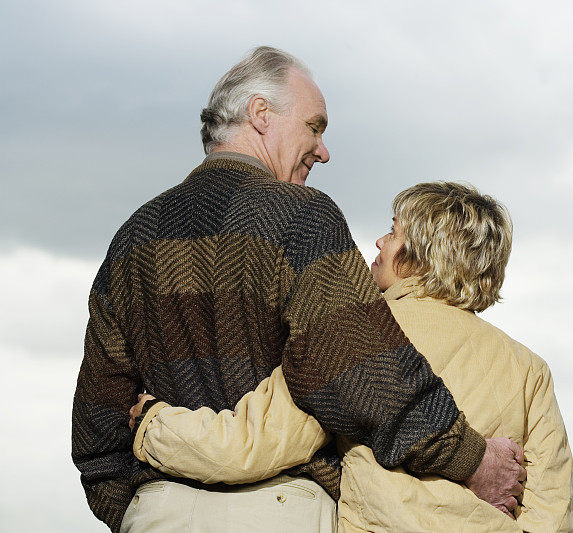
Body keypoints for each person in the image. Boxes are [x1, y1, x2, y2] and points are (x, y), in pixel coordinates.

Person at [72, 46, 525, 533]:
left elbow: (98, 426)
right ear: (261, 114)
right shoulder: (303, 215)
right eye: (315, 126)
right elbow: (362, 371)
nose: (324, 150)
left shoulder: (130, 238)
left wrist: (141, 510)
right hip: (280, 511)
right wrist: (472, 460)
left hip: (155, 514)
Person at [130, 182, 573, 532]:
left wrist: (155, 424)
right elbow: (552, 512)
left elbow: (252, 443)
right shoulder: (529, 369)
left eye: (394, 231)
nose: (380, 243)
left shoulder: (356, 333)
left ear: (419, 256)